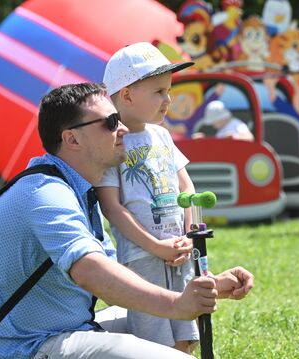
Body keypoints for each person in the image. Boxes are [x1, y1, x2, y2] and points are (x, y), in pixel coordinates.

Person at [0, 82, 254, 359]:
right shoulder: (45, 193)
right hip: (29, 347)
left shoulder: (77, 191)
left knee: (164, 328)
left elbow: (116, 282)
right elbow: (91, 272)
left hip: (67, 329)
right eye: (110, 122)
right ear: (72, 139)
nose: (124, 129)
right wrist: (177, 304)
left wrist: (209, 287)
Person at [96, 42, 198, 354]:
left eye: (168, 90)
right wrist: (155, 246)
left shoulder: (163, 136)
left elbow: (187, 188)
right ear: (126, 95)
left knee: (187, 333)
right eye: (158, 92)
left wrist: (190, 234)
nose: (168, 99)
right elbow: (111, 207)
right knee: (153, 342)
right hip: (142, 259)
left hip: (180, 252)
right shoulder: (112, 142)